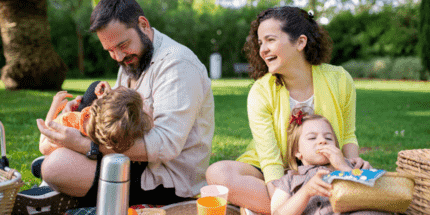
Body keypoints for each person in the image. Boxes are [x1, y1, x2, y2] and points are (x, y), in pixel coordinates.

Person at [14, 0, 215, 213]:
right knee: (93, 91)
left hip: (164, 181)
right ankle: (65, 180)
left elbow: (165, 145)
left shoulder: (177, 64)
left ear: (143, 25)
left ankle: (62, 181)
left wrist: (85, 146)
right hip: (130, 158)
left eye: (122, 45)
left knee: (55, 166)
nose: (118, 56)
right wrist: (80, 116)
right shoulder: (132, 60)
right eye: (110, 50)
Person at [206, 6, 370, 214]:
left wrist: (350, 166)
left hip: (323, 167)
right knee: (218, 173)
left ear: (300, 42)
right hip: (275, 170)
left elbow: (347, 135)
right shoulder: (261, 91)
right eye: (260, 43)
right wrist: (278, 198)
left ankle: (305, 203)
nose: (263, 49)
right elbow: (270, 160)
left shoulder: (339, 79)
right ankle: (314, 205)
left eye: (270, 40)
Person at [268, 107, 388, 215]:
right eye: (312, 138)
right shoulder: (290, 179)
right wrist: (306, 192)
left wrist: (344, 168)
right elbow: (278, 212)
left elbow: (382, 195)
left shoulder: (355, 166)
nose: (322, 141)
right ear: (297, 151)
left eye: (328, 138)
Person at [40, 83, 152, 156]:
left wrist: (55, 107)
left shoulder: (70, 120)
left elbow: (43, 146)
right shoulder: (108, 132)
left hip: (57, 154)